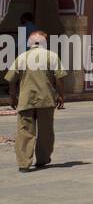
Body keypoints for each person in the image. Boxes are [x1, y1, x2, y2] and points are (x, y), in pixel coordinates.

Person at [5, 30, 66, 172]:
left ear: (29, 43)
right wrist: (61, 95)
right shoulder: (52, 56)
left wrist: (13, 97)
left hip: (25, 100)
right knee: (46, 132)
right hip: (46, 100)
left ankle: (24, 164)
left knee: (25, 131)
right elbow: (59, 79)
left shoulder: (22, 57)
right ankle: (43, 159)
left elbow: (11, 80)